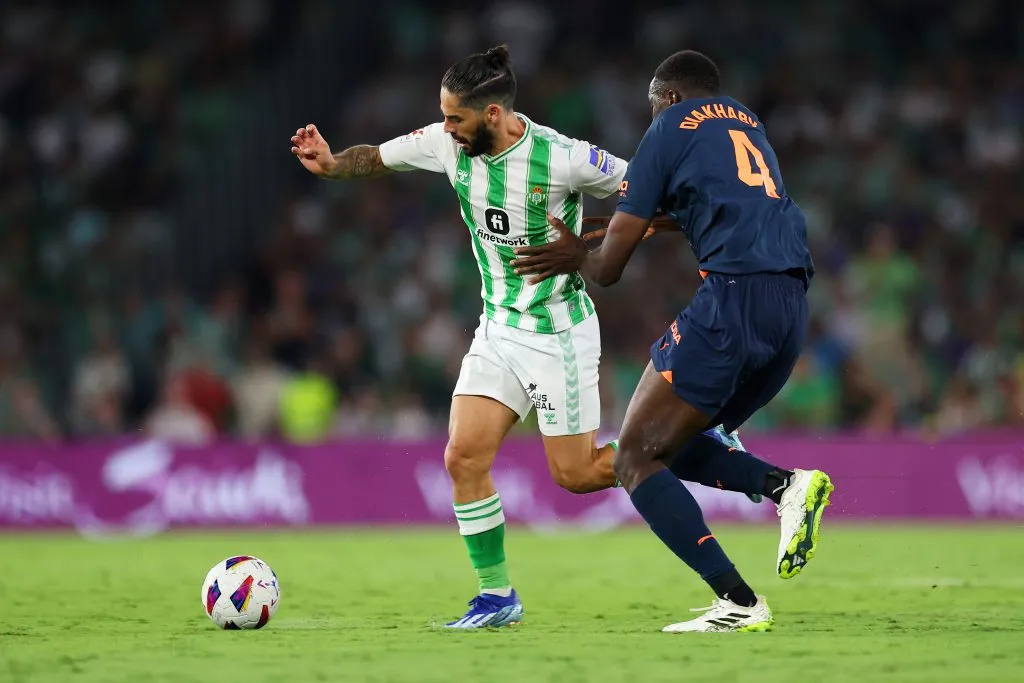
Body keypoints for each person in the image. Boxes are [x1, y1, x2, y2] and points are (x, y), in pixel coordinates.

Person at [292, 45, 765, 630]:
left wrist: (598, 246)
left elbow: (654, 195)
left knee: (579, 474)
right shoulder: (446, 145)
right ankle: (497, 597)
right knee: (463, 456)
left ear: (492, 114)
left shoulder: (562, 157)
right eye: (443, 117)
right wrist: (333, 161)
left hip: (557, 333)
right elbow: (376, 158)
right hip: (496, 331)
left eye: (455, 119)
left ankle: (695, 440)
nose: (446, 129)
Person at [512, 50, 834, 633]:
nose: (651, 117)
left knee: (634, 454)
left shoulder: (668, 127)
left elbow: (608, 270)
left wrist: (577, 255)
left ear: (669, 97)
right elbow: (701, 207)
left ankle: (737, 602)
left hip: (732, 301)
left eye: (653, 105)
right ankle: (784, 487)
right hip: (789, 311)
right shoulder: (748, 125)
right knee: (674, 446)